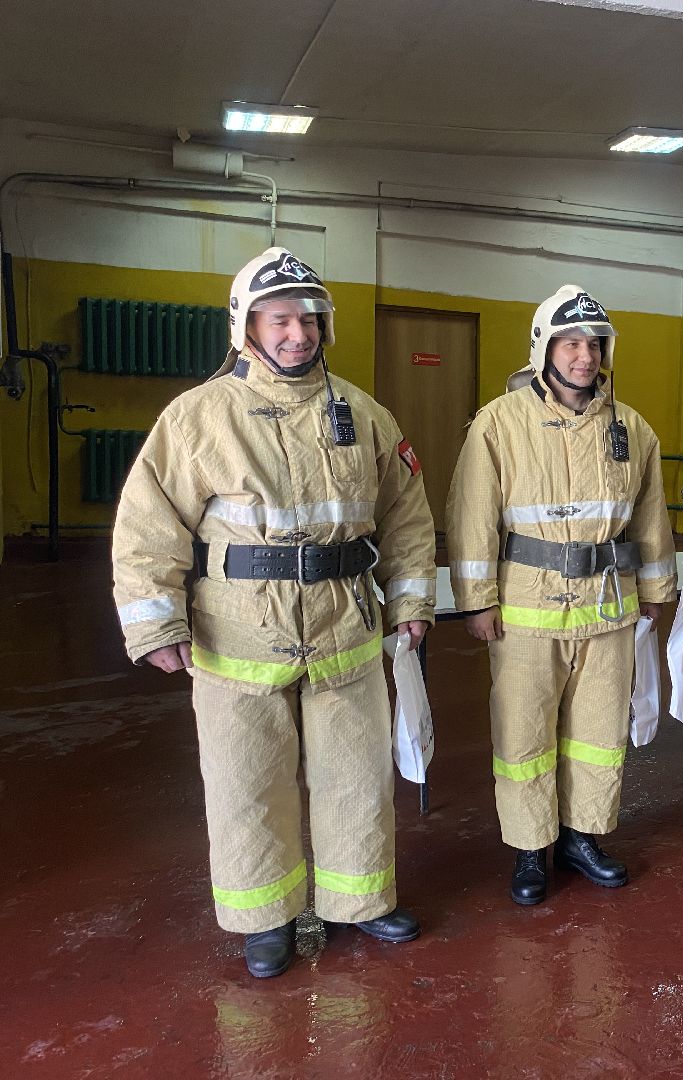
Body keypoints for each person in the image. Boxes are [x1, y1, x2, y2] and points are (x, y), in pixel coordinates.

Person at [111, 247, 437, 978]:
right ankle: (267, 918)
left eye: (309, 318)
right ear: (247, 327)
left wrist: (412, 602)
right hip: (238, 632)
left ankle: (361, 899)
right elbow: (146, 527)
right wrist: (155, 623)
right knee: (246, 781)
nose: (298, 333)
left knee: (355, 774)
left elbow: (408, 517)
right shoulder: (197, 418)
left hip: (344, 626)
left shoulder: (366, 415)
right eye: (280, 319)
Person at [446, 284, 676, 905]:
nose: (584, 356)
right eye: (571, 343)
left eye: (594, 344)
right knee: (525, 735)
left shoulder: (632, 427)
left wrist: (656, 591)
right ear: (544, 348)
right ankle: (529, 848)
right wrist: (476, 600)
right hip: (526, 610)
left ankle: (583, 837)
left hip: (608, 608)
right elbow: (472, 516)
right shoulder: (499, 423)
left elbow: (651, 519)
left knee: (600, 732)